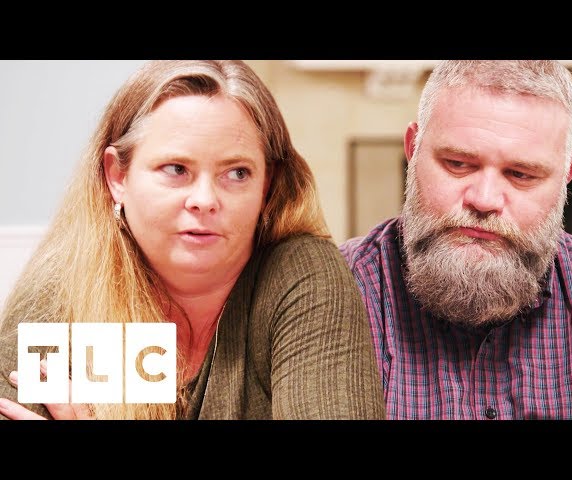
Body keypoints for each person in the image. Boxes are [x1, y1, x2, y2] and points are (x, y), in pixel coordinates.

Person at [0, 60, 385, 420]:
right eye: (176, 169)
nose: (205, 200)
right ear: (117, 177)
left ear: (266, 185)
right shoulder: (65, 284)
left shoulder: (301, 274)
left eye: (237, 173)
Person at [340, 60, 572, 420]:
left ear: (566, 176)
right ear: (412, 149)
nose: (483, 200)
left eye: (520, 174)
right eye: (457, 164)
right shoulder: (330, 295)